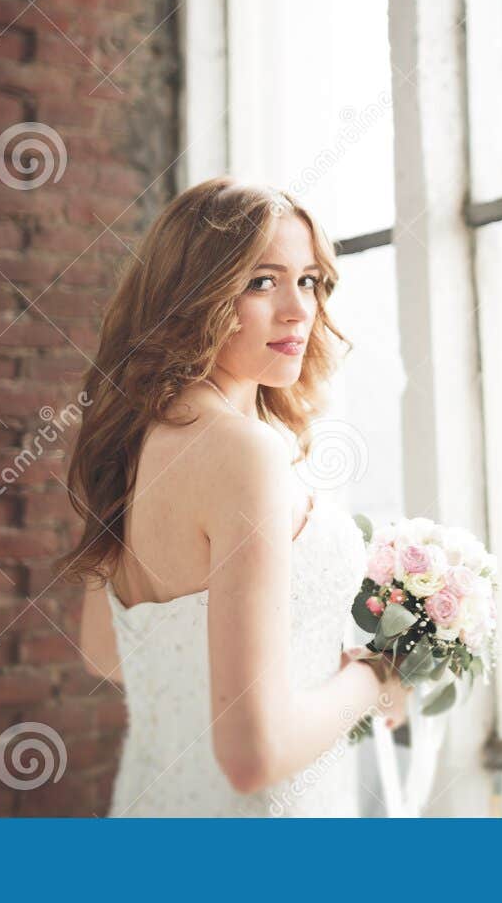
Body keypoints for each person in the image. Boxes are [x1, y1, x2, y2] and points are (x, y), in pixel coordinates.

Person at [62, 177, 410, 816]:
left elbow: (107, 651)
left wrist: (271, 671)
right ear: (194, 295)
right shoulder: (242, 453)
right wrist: (371, 678)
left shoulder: (129, 436)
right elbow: (253, 758)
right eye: (261, 281)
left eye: (308, 280)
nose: (298, 310)